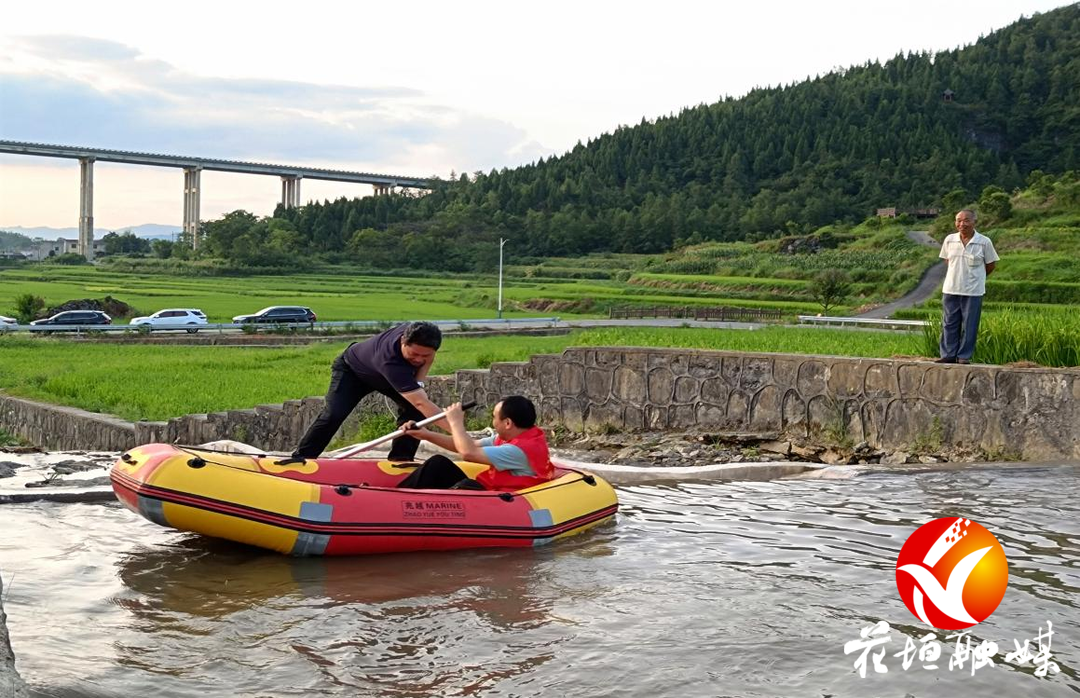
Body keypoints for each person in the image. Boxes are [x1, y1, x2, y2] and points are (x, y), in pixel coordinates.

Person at [284, 321, 447, 463]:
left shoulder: (421, 335)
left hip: (383, 377)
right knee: (334, 414)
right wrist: (456, 432)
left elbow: (426, 361)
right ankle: (303, 457)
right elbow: (421, 402)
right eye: (414, 354)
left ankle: (401, 460)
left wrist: (418, 382)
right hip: (352, 372)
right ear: (403, 341)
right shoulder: (389, 360)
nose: (419, 359)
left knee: (414, 413)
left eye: (425, 355)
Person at [396, 396, 555, 491]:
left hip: (501, 499)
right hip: (493, 489)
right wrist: (426, 434)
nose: (493, 422)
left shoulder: (516, 450)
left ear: (507, 423)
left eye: (494, 417)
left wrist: (456, 423)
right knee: (438, 464)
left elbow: (468, 453)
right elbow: (467, 445)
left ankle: (396, 499)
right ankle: (396, 495)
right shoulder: (516, 436)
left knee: (464, 484)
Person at [936, 209, 999, 365]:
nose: (962, 224)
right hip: (951, 289)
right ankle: (948, 354)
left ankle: (964, 356)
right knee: (949, 323)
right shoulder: (949, 240)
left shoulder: (984, 242)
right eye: (958, 220)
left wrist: (976, 278)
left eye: (966, 220)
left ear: (974, 222)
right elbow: (948, 261)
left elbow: (990, 265)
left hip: (973, 292)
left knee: (970, 325)